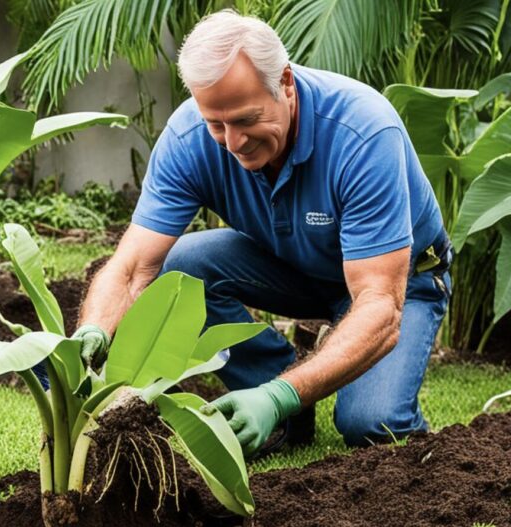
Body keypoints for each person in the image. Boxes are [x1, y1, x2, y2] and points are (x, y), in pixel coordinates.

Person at [70, 10, 451, 458]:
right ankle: (280, 393)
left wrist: (278, 396)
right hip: (292, 267)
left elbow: (380, 306)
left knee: (371, 424)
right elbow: (133, 269)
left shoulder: (362, 132)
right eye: (217, 124)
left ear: (285, 83)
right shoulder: (189, 136)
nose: (233, 142)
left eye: (247, 120)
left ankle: (280, 397)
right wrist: (92, 329)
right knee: (179, 270)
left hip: (398, 283)